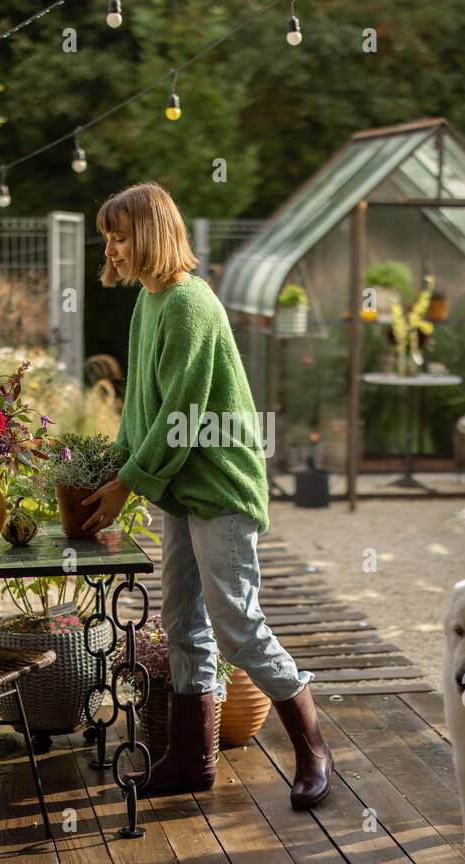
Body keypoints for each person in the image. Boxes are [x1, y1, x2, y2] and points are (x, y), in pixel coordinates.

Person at [80, 181, 333, 809]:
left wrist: (129, 484)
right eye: (106, 236)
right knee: (182, 622)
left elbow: (185, 413)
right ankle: (192, 761)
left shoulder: (190, 303)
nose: (110, 247)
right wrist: (112, 475)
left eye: (119, 234)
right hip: (177, 488)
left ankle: (312, 745)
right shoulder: (148, 302)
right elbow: (143, 409)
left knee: (237, 623)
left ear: (151, 234)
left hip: (217, 486)